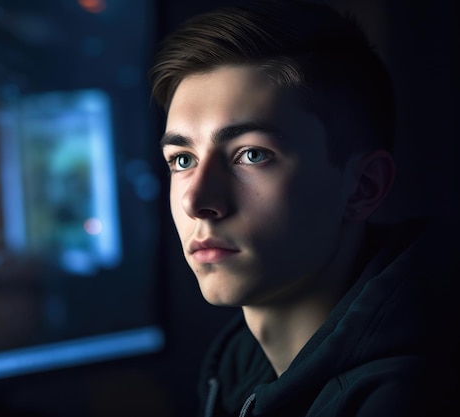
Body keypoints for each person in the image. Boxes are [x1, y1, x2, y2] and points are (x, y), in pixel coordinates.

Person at [149, 1, 459, 416]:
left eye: (251, 154)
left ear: (362, 187)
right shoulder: (237, 362)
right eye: (182, 159)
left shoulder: (411, 394)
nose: (196, 200)